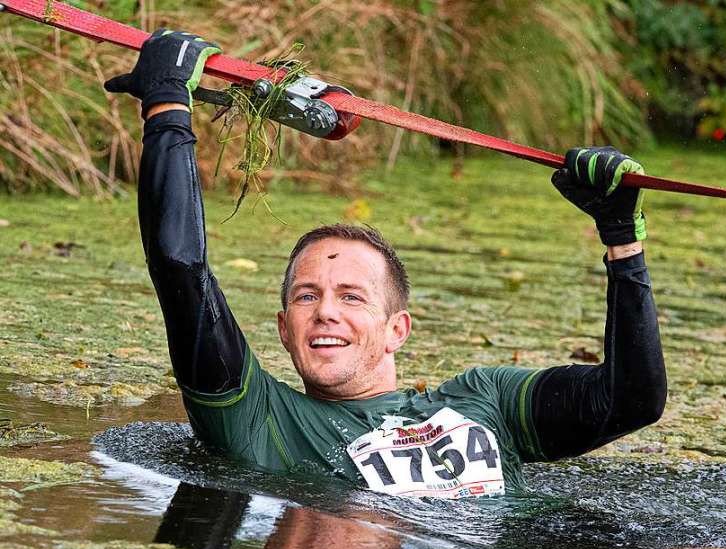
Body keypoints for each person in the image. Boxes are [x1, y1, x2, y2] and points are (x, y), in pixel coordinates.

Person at [105, 30, 667, 499]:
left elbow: (632, 401)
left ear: (398, 327)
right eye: (306, 296)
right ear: (283, 327)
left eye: (352, 296)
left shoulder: (486, 398)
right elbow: (182, 268)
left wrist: (622, 242)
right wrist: (166, 109)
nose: (325, 312)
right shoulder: (258, 417)